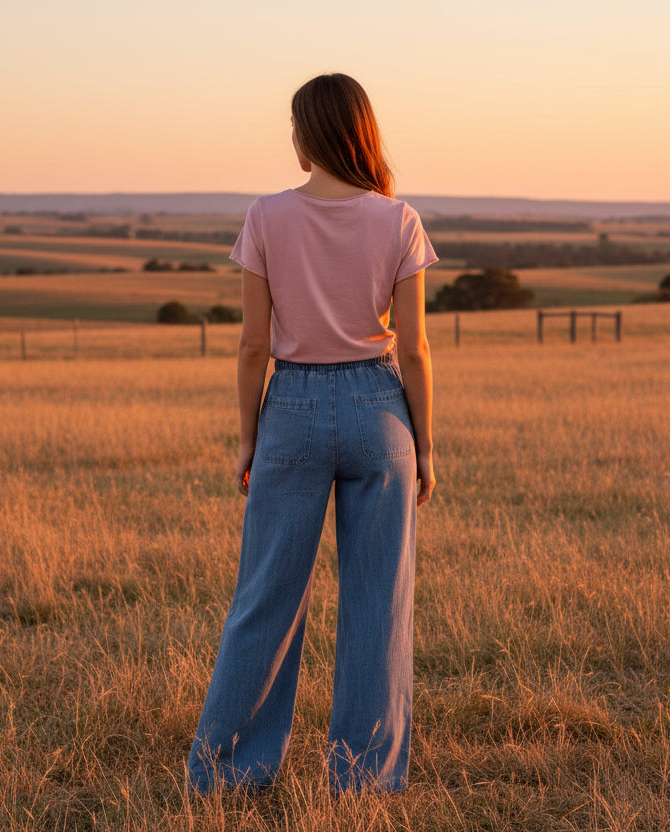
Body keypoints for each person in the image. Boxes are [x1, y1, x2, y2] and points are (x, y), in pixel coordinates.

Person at [186, 72, 437, 795]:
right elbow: (414, 348)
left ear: (307, 138)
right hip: (379, 407)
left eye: (294, 129)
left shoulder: (265, 217)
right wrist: (427, 444)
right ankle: (364, 781)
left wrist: (246, 438)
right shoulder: (399, 221)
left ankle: (230, 774)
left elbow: (251, 346)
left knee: (266, 596)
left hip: (290, 410)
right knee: (377, 604)